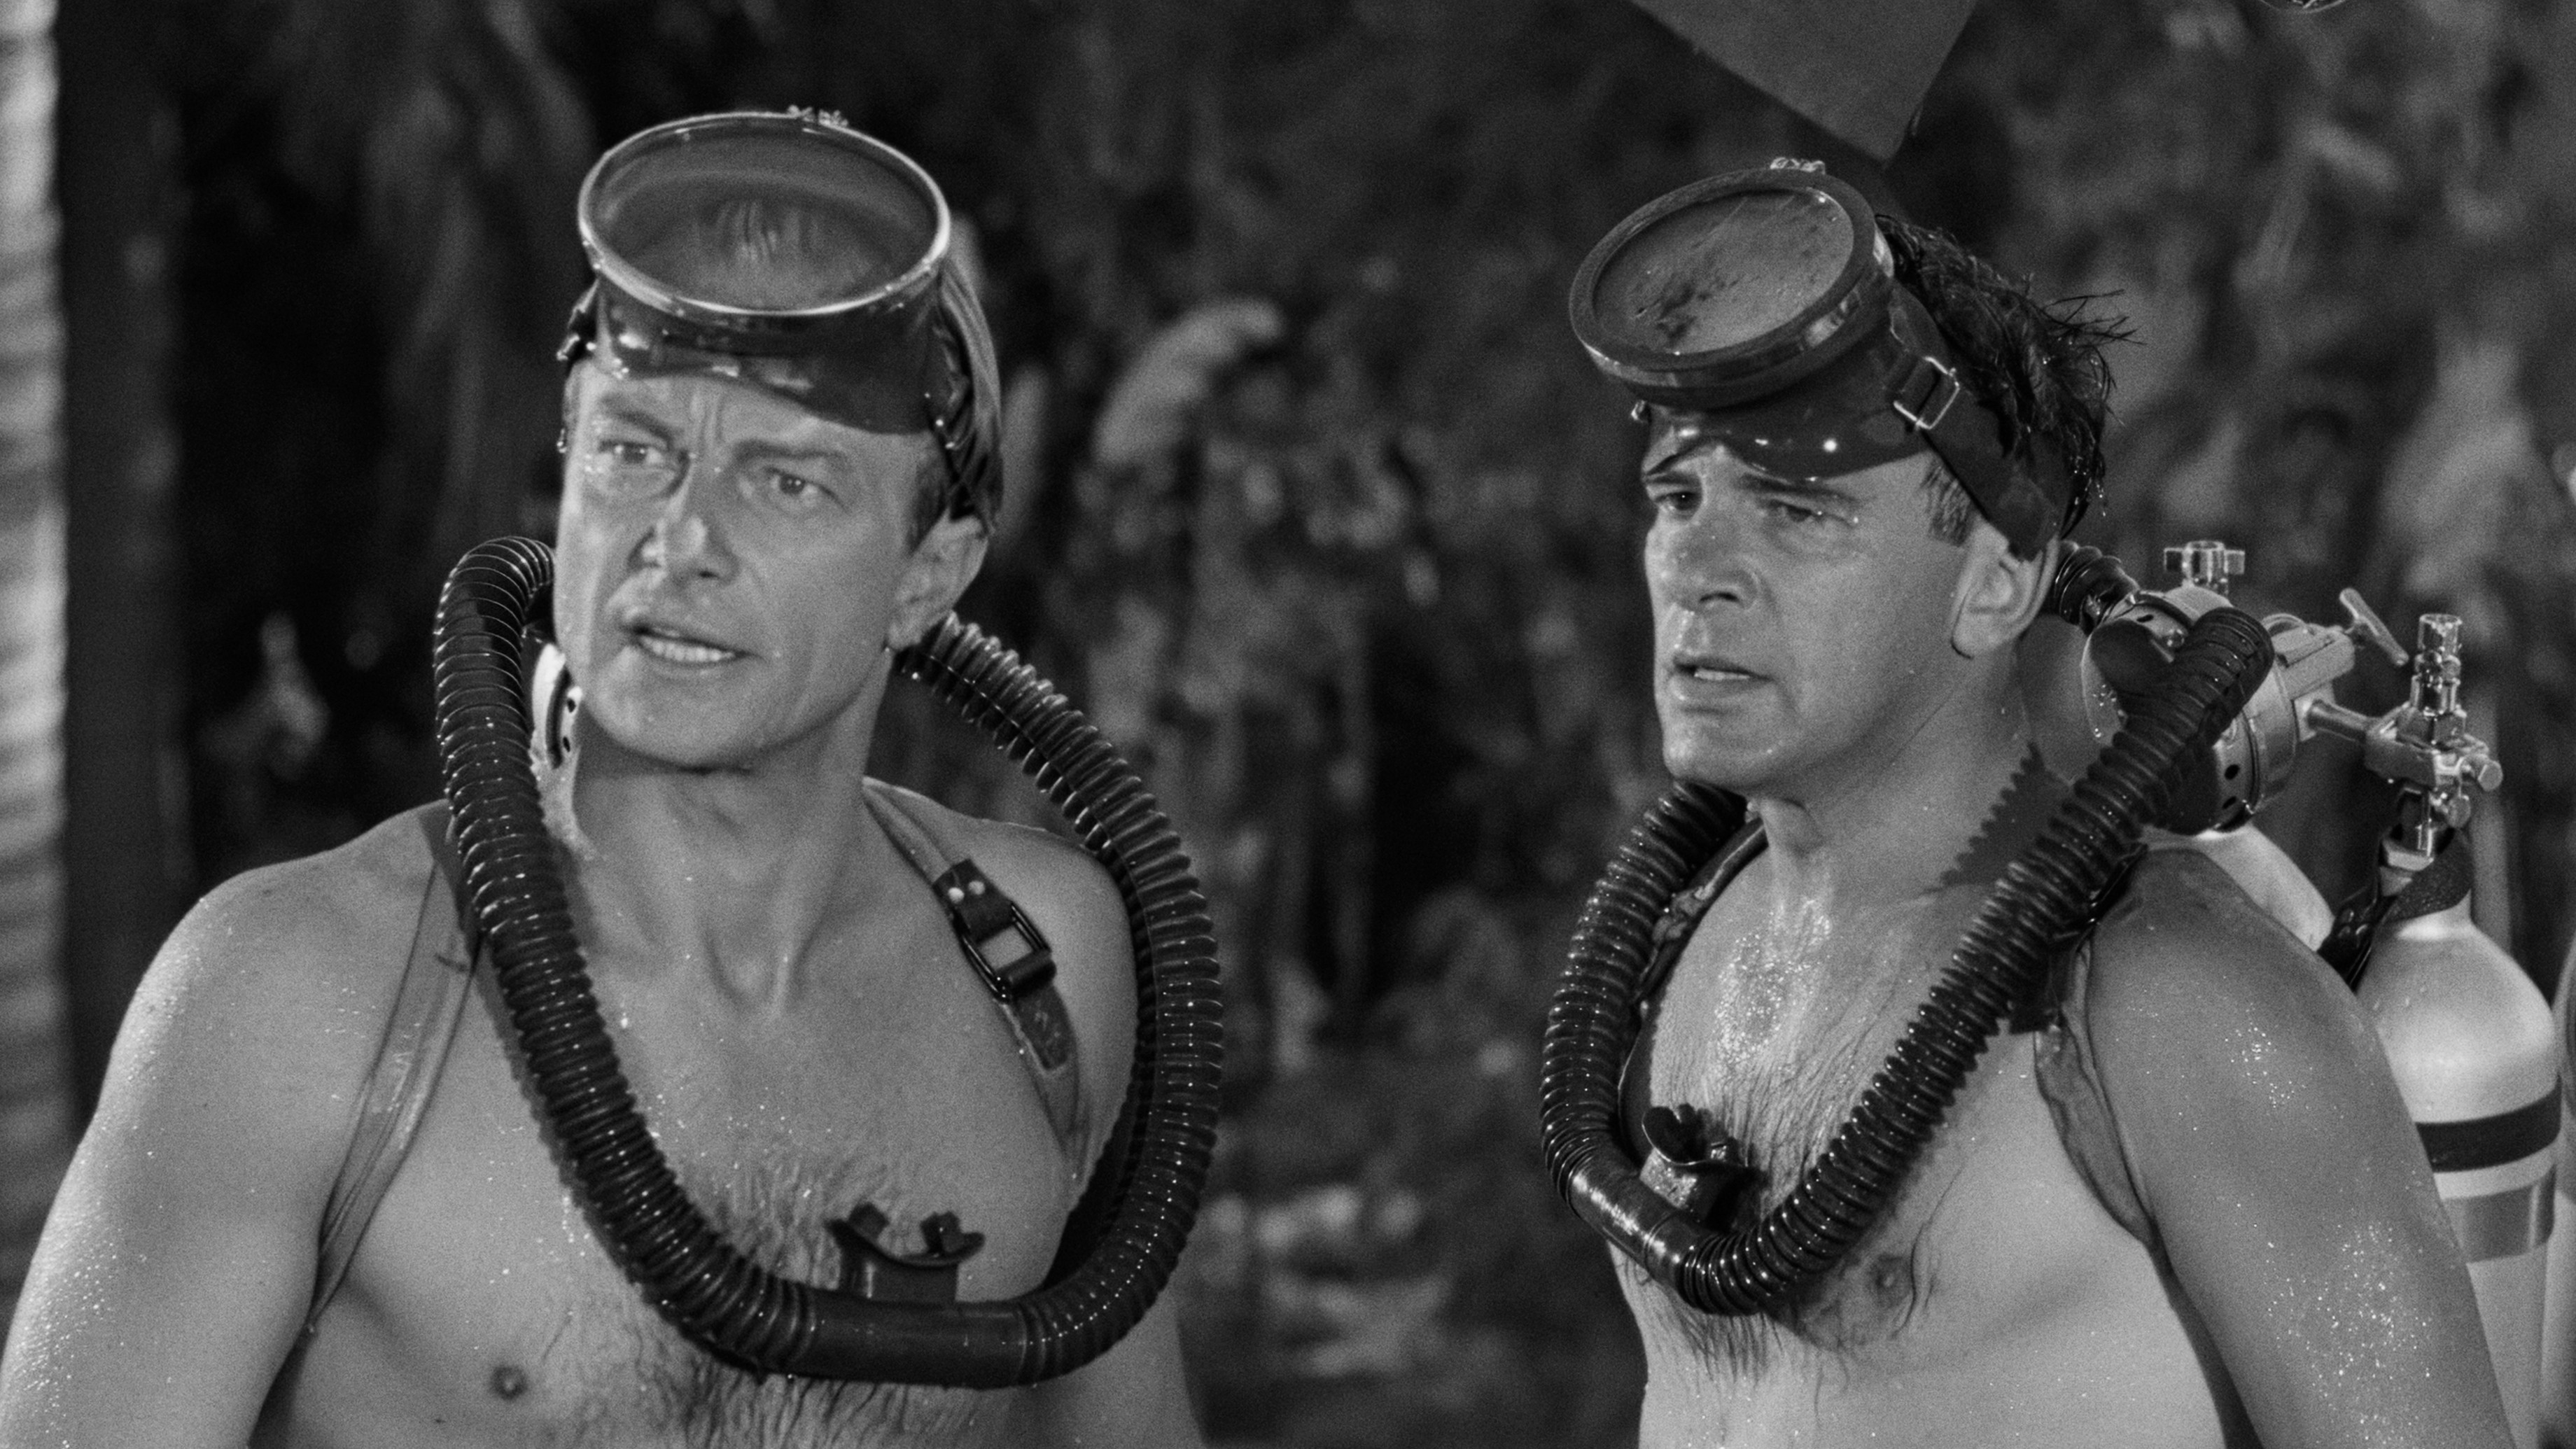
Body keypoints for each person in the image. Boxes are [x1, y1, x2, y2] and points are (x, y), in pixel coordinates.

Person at [0, 113, 1203, 1448]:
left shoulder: (1042, 970)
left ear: (929, 576)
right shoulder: (301, 1000)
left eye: (787, 482)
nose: (681, 540)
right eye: (634, 451)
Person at [1564, 163, 2514, 1445]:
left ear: (2000, 580)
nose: (1697, 568)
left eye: (1795, 510)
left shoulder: (2176, 1005)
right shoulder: (1691, 934)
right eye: (1677, 498)